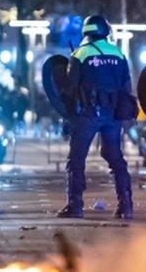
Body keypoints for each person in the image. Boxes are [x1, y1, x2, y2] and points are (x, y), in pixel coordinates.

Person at [57, 15, 134, 219]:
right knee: (114, 156)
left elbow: (71, 88)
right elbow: (127, 86)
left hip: (87, 114)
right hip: (112, 114)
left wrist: (67, 115)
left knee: (77, 158)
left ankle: (75, 206)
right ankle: (126, 204)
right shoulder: (118, 53)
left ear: (86, 32)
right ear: (105, 31)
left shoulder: (80, 54)